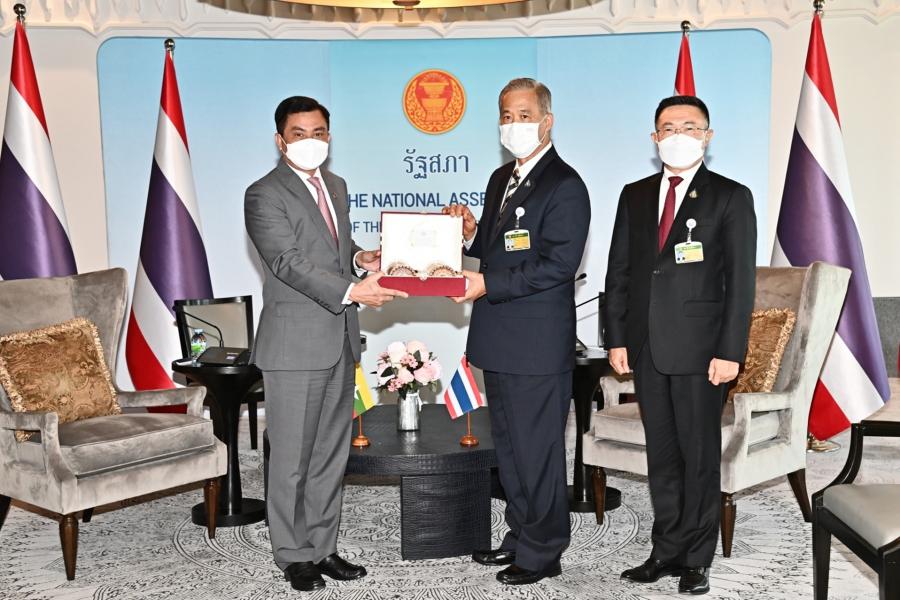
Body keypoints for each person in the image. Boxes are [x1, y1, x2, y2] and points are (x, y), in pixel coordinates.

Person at [244, 96, 406, 593]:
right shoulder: (263, 194)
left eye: (318, 132)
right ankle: (293, 554)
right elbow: (288, 261)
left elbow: (334, 250)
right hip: (294, 346)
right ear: (280, 140)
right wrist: (353, 291)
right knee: (291, 458)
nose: (309, 141)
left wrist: (361, 259)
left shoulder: (335, 185)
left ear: (329, 137)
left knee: (330, 456)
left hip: (339, 339)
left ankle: (322, 546)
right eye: (298, 133)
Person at [604, 95, 756, 595]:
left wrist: (730, 351)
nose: (678, 135)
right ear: (654, 138)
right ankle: (665, 550)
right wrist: (617, 338)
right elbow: (620, 271)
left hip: (702, 350)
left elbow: (740, 284)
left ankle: (696, 557)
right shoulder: (635, 195)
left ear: (707, 136)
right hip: (646, 347)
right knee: (663, 456)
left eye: (689, 126)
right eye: (668, 127)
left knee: (698, 456)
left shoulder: (731, 196)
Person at [443, 77, 591, 586]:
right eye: (507, 116)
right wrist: (469, 233)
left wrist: (487, 283)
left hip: (536, 344)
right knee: (510, 451)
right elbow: (495, 248)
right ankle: (521, 534)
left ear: (547, 121)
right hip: (499, 339)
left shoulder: (565, 184)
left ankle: (544, 550)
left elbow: (558, 265)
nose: (514, 125)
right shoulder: (500, 177)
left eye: (525, 115)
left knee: (538, 452)